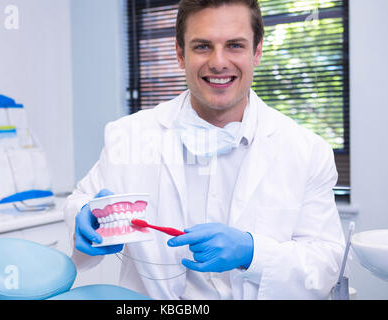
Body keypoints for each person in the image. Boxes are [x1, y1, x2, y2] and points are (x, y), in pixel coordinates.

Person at [64, 0, 345, 300]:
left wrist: (252, 253)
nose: (219, 62)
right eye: (202, 46)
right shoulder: (129, 136)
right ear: (180, 54)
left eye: (235, 45)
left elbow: (326, 262)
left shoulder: (306, 151)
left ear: (257, 51)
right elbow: (83, 200)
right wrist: (84, 217)